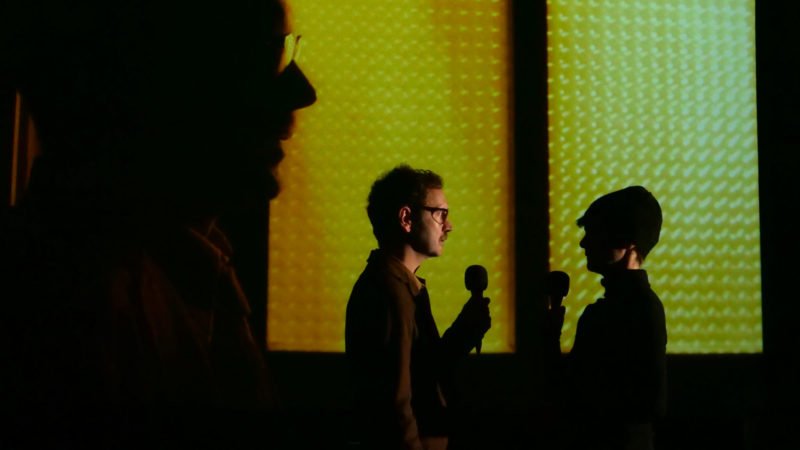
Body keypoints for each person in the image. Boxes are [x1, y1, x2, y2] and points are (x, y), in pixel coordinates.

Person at [0, 0, 314, 447]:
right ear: (157, 85)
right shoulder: (75, 313)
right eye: (269, 58)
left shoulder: (184, 270)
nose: (303, 91)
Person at [345, 165, 492, 450]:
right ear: (406, 218)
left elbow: (423, 373)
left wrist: (462, 333)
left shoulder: (401, 286)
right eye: (440, 214)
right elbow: (394, 404)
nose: (449, 226)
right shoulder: (388, 293)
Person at [547, 186, 667, 450]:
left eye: (594, 233)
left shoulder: (622, 311)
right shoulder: (641, 307)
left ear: (626, 240)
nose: (583, 243)